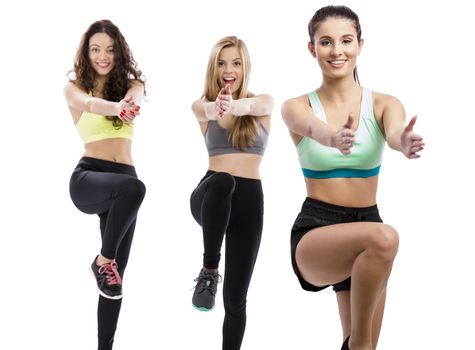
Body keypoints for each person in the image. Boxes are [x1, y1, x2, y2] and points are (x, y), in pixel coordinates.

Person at [281, 6, 424, 350]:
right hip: (318, 229)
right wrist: (332, 137)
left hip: (367, 225)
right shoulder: (296, 105)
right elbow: (312, 128)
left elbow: (392, 132)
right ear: (312, 48)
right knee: (386, 239)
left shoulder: (384, 103)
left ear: (360, 44)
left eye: (346, 41)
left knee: (369, 346)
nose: (337, 51)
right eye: (326, 42)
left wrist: (401, 142)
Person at [64, 19, 146, 350]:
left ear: (119, 53)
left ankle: (104, 347)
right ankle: (102, 260)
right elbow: (90, 105)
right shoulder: (74, 89)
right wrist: (116, 109)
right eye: (96, 49)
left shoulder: (132, 83)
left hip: (123, 180)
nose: (103, 56)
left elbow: (134, 95)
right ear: (86, 52)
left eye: (110, 50)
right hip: (89, 179)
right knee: (136, 189)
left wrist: (128, 104)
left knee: (115, 281)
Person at [190, 36, 273, 349]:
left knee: (236, 301)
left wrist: (236, 105)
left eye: (236, 63)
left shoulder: (263, 103)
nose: (229, 70)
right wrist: (220, 106)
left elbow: (255, 105)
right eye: (222, 63)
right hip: (211, 193)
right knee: (225, 180)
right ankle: (210, 268)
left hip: (249, 203)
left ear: (245, 66)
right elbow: (208, 110)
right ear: (214, 67)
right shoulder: (202, 105)